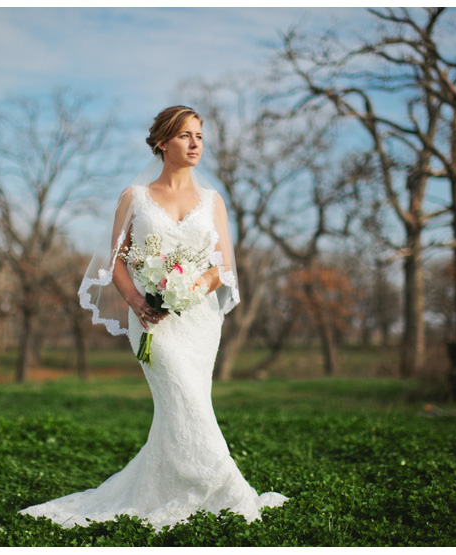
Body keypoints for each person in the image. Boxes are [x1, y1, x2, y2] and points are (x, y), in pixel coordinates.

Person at [19, 106, 287, 530]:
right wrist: (138, 303)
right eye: (185, 136)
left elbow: (223, 268)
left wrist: (190, 290)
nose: (195, 143)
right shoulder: (135, 198)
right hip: (149, 322)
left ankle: (167, 487)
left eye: (199, 135)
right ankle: (226, 490)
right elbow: (116, 262)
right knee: (183, 398)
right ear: (162, 142)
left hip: (199, 321)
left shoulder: (212, 200)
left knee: (190, 404)